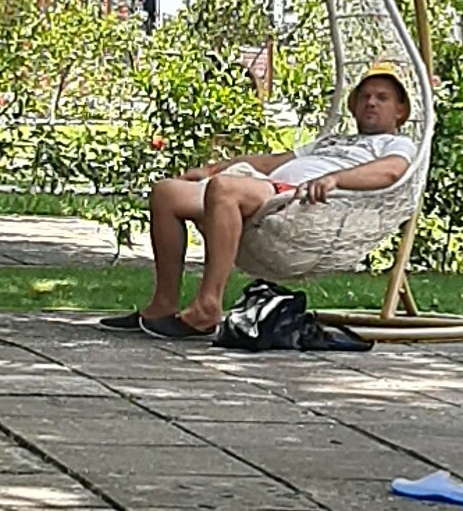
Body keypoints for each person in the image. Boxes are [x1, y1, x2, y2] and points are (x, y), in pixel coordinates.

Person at [128, 68, 418, 338]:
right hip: (266, 188)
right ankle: (162, 306)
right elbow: (271, 162)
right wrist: (211, 169)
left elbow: (392, 172)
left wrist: (335, 179)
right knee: (167, 192)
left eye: (382, 98)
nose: (371, 103)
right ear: (353, 106)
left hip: (297, 205)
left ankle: (208, 305)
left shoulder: (397, 144)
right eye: (365, 97)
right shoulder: (333, 141)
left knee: (225, 189)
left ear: (400, 111)